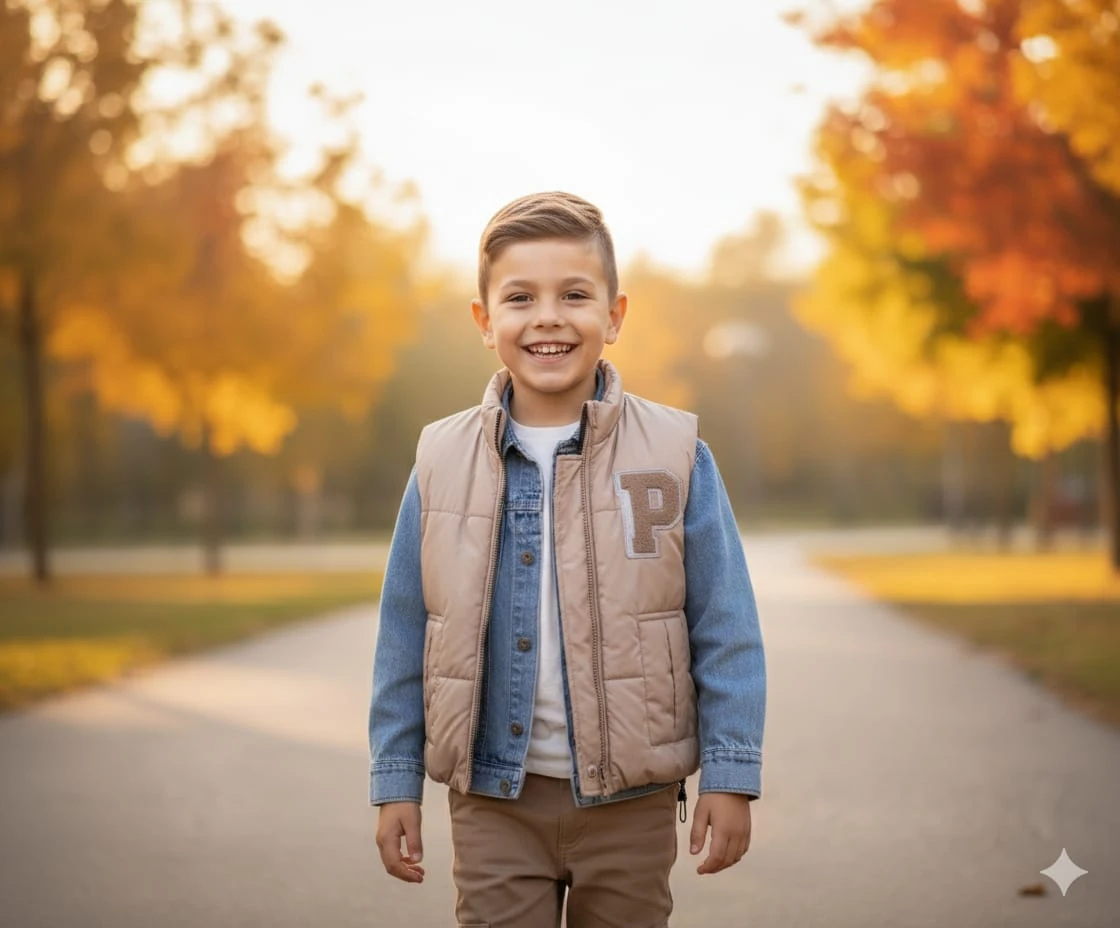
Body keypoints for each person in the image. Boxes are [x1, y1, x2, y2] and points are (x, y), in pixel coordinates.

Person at [368, 191, 766, 928]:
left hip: (631, 805)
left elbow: (726, 622)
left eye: (574, 295)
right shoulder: (442, 460)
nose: (548, 316)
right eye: (520, 297)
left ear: (614, 316)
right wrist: (395, 779)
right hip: (494, 801)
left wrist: (731, 775)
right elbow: (404, 630)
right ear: (485, 323)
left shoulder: (675, 456)